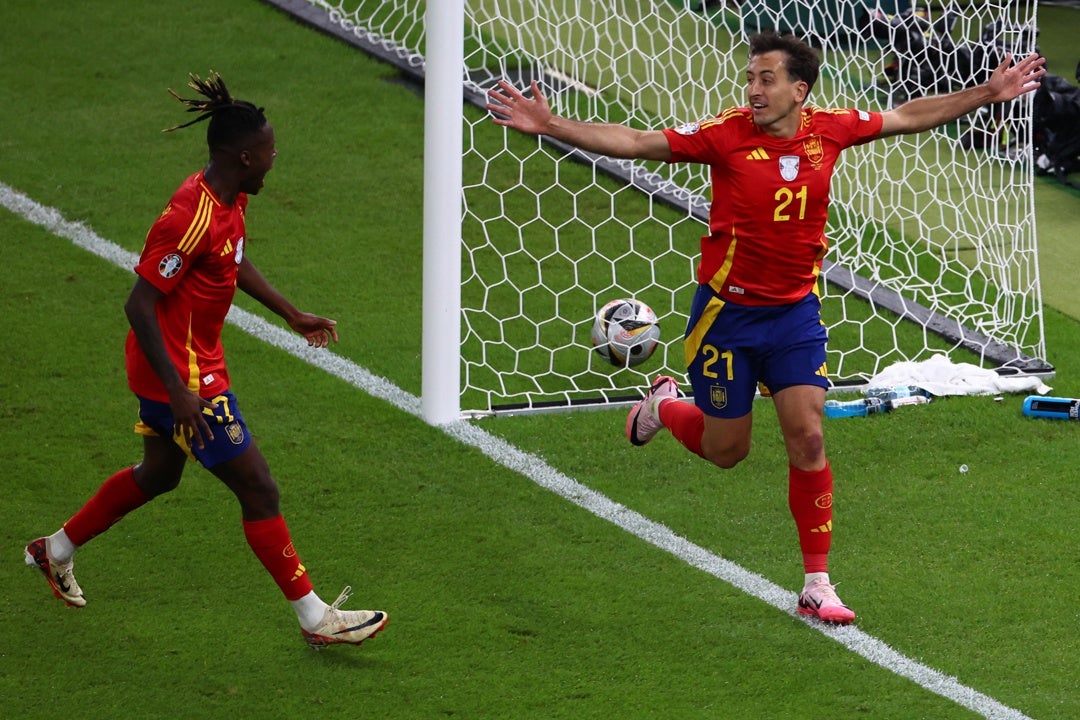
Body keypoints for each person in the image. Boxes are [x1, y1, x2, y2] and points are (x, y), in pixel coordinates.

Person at [487, 33, 1045, 624]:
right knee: (727, 451)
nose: (753, 89)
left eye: (766, 79)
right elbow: (636, 141)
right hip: (726, 318)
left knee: (808, 439)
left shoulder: (832, 129)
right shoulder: (724, 136)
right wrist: (550, 124)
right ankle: (663, 407)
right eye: (750, 78)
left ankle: (817, 584)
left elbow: (907, 116)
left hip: (795, 315)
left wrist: (989, 92)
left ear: (799, 90)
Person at [24, 72, 388, 649]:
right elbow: (139, 303)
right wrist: (179, 392)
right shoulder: (188, 217)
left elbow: (230, 258)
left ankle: (56, 549)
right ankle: (315, 617)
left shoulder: (231, 196)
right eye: (270, 151)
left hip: (181, 371)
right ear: (245, 156)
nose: (274, 159)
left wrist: (290, 313)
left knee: (160, 474)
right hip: (185, 378)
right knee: (259, 488)